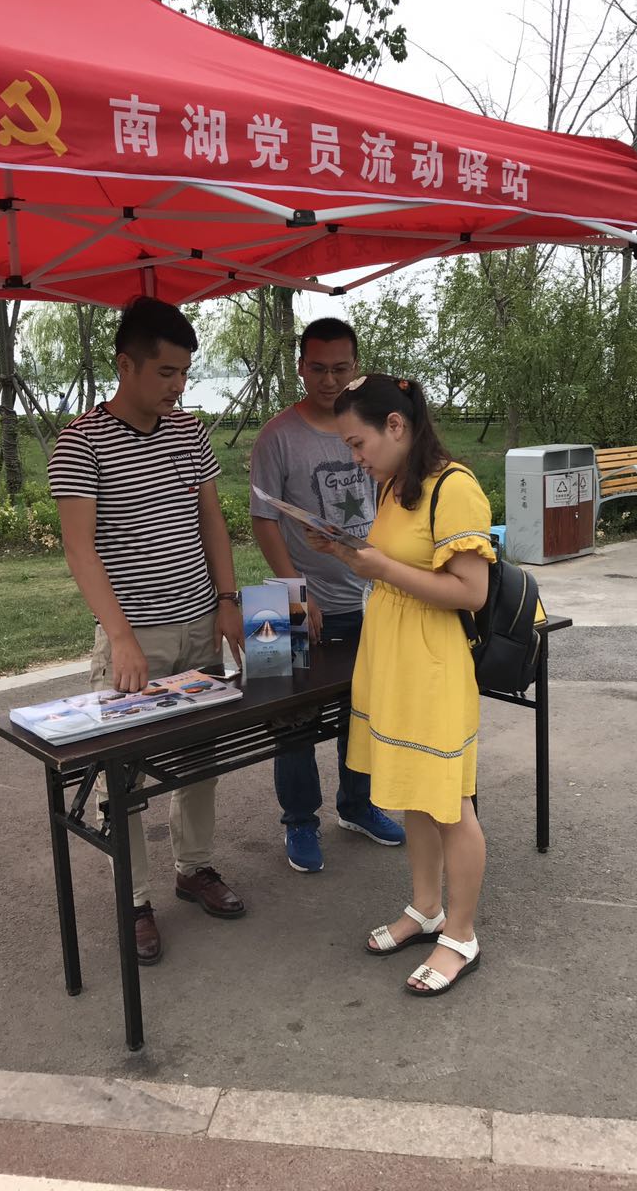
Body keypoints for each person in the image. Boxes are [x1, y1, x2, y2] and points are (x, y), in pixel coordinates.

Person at [48, 296, 247, 967]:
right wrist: (121, 636)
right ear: (125, 365)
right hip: (136, 638)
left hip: (199, 622)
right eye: (165, 372)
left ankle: (194, 868)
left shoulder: (189, 432)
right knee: (124, 775)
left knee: (200, 759)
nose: (177, 386)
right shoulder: (81, 442)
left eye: (185, 372)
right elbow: (80, 549)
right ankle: (133, 900)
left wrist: (227, 600)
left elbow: (211, 520)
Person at [308, 373, 495, 998]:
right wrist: (344, 552)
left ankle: (460, 935)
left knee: (450, 804)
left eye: (357, 443)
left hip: (433, 665)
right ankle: (426, 908)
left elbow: (471, 592)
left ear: (396, 426)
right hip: (392, 657)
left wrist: (381, 565)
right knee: (415, 792)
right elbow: (391, 566)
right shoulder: (394, 484)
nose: (355, 458)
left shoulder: (454, 488)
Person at [249, 319, 405, 873]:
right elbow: (263, 519)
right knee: (292, 720)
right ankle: (300, 821)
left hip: (369, 597)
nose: (330, 379)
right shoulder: (277, 437)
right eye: (318, 368)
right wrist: (296, 590)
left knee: (363, 710)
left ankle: (357, 805)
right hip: (299, 605)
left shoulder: (369, 426)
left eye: (341, 368)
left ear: (356, 367)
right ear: (301, 367)